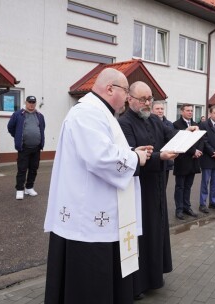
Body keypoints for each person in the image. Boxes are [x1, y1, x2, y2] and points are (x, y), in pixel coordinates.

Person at [43, 68, 150, 304]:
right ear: (110, 89)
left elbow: (106, 149)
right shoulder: (87, 113)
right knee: (90, 285)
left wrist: (131, 152)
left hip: (97, 209)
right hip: (88, 218)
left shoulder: (100, 113)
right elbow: (100, 157)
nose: (127, 97)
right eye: (125, 91)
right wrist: (135, 159)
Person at [118, 82, 179, 300]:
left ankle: (154, 276)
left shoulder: (154, 119)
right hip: (138, 189)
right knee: (141, 235)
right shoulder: (123, 123)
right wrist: (159, 157)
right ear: (129, 99)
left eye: (149, 99)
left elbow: (171, 135)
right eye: (143, 99)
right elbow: (130, 155)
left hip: (156, 186)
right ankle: (138, 284)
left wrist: (186, 134)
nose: (147, 103)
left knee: (157, 229)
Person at [7, 95, 46, 200]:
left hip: (36, 147)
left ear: (35, 103)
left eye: (33, 102)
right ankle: (20, 189)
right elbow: (10, 127)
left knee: (34, 168)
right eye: (29, 102)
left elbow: (42, 128)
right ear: (26, 102)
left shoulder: (39, 116)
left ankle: (29, 187)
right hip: (24, 147)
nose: (31, 104)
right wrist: (18, 136)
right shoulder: (18, 114)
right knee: (22, 169)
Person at [173, 104, 203, 220]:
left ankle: (187, 207)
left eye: (191, 111)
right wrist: (193, 151)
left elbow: (201, 139)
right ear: (182, 112)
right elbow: (181, 142)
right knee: (180, 186)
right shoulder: (176, 125)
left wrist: (199, 150)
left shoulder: (196, 125)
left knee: (188, 186)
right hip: (182, 160)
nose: (190, 112)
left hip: (194, 160)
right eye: (188, 110)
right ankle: (179, 209)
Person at [151, 100, 175, 188]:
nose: (160, 111)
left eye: (162, 109)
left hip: (167, 160)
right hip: (155, 158)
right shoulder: (148, 123)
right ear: (152, 110)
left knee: (164, 186)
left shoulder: (169, 124)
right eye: (157, 109)